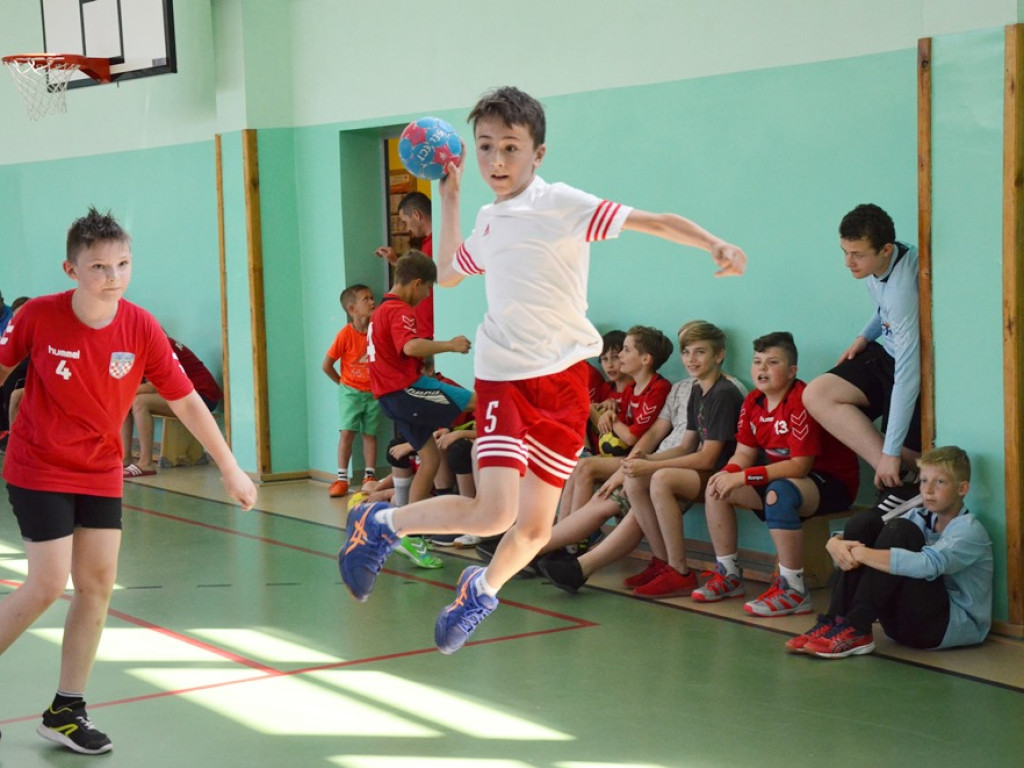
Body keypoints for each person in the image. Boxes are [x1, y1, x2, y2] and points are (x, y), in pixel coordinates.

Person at [339, 85, 746, 655]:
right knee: (493, 512)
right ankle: (380, 525)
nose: (497, 161)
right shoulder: (489, 216)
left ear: (538, 153)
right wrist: (449, 194)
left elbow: (651, 221)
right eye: (485, 148)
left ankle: (480, 589)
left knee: (532, 528)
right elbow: (454, 272)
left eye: (510, 147)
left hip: (565, 383)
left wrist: (713, 244)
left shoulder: (563, 204)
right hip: (505, 375)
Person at [0, 207, 256, 754]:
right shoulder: (39, 317)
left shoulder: (140, 326)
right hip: (38, 464)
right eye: (98, 267)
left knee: (95, 587)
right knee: (46, 584)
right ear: (71, 271)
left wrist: (230, 467)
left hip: (99, 470)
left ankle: (66, 710)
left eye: (122, 264)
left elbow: (186, 400)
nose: (112, 276)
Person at [538, 320, 745, 594]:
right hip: (685, 464)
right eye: (686, 351)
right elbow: (684, 444)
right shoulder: (695, 389)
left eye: (699, 352)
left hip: (709, 473)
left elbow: (706, 458)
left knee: (656, 478)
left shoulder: (725, 392)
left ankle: (676, 569)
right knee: (633, 478)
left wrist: (650, 464)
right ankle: (659, 562)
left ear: (718, 355)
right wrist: (644, 460)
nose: (690, 359)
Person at [694, 331, 859, 616]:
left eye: (772, 362)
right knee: (716, 486)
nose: (762, 369)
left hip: (832, 483)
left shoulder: (800, 401)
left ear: (792, 370)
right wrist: (730, 473)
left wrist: (744, 477)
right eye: (757, 362)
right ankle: (729, 574)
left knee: (778, 493)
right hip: (786, 479)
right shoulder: (753, 402)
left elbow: (799, 466)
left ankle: (794, 589)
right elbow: (743, 454)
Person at [790, 446, 992, 658]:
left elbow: (929, 565)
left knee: (900, 530)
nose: (928, 490)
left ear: (962, 489)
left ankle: (857, 626)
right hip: (899, 628)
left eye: (939, 482)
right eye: (923, 481)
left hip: (944, 630)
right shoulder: (919, 514)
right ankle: (836, 621)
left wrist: (860, 553)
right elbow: (867, 531)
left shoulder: (969, 530)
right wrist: (836, 541)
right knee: (864, 523)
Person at [803, 204, 921, 512]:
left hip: (909, 366)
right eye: (844, 251)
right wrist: (864, 336)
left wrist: (893, 451)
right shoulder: (879, 265)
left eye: (857, 254)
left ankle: (898, 470)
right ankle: (901, 473)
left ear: (885, 249)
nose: (848, 262)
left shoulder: (903, 289)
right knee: (816, 393)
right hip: (884, 352)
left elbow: (908, 374)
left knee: (909, 451)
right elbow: (882, 310)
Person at [367, 250, 473, 567]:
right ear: (416, 283)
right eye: (427, 289)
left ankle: (410, 533)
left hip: (389, 396)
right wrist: (450, 345)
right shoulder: (399, 310)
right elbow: (410, 346)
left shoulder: (380, 311)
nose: (427, 295)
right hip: (406, 390)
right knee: (479, 401)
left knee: (428, 458)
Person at [121, 334, 224, 477]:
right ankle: (124, 458)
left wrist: (121, 391)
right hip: (183, 395)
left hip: (202, 397)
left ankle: (146, 463)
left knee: (139, 402)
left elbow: (152, 387)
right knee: (126, 400)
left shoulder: (160, 346)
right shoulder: (143, 347)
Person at [321, 284, 379, 497]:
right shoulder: (345, 335)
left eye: (372, 297)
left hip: (373, 393)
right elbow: (326, 365)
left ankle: (370, 476)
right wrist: (344, 384)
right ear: (352, 309)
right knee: (347, 433)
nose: (372, 302)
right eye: (366, 299)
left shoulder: (377, 332)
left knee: (370, 434)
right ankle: (342, 479)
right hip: (351, 392)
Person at [376, 192, 435, 339]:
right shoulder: (427, 244)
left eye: (405, 221)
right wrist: (395, 261)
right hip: (424, 332)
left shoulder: (437, 243)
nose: (406, 228)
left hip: (432, 332)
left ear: (416, 215)